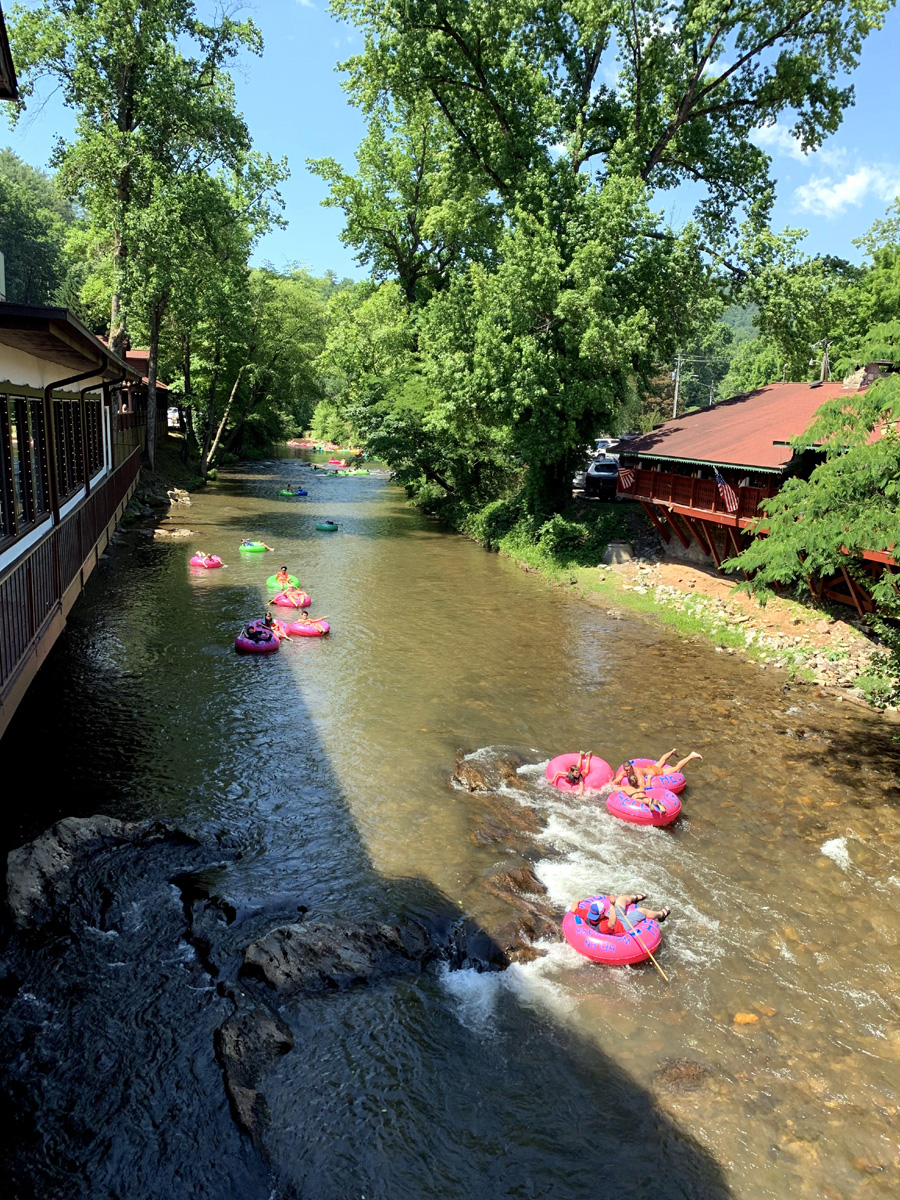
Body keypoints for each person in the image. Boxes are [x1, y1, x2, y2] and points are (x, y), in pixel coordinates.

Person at [612, 749, 702, 791]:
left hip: (656, 772)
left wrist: (649, 779)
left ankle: (691, 755)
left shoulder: (638, 773)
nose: (628, 772)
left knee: (676, 769)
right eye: (626, 770)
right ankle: (672, 751)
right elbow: (617, 779)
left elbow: (643, 786)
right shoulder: (624, 771)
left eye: (629, 770)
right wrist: (609, 786)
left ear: (632, 767)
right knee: (661, 761)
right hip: (649, 767)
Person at [585, 894, 670, 932]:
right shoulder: (603, 926)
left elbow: (574, 908)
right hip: (622, 925)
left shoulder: (587, 917)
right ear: (602, 914)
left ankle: (636, 898)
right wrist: (612, 905)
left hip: (612, 917)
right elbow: (612, 923)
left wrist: (579, 901)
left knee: (621, 898)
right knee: (642, 911)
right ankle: (661, 915)